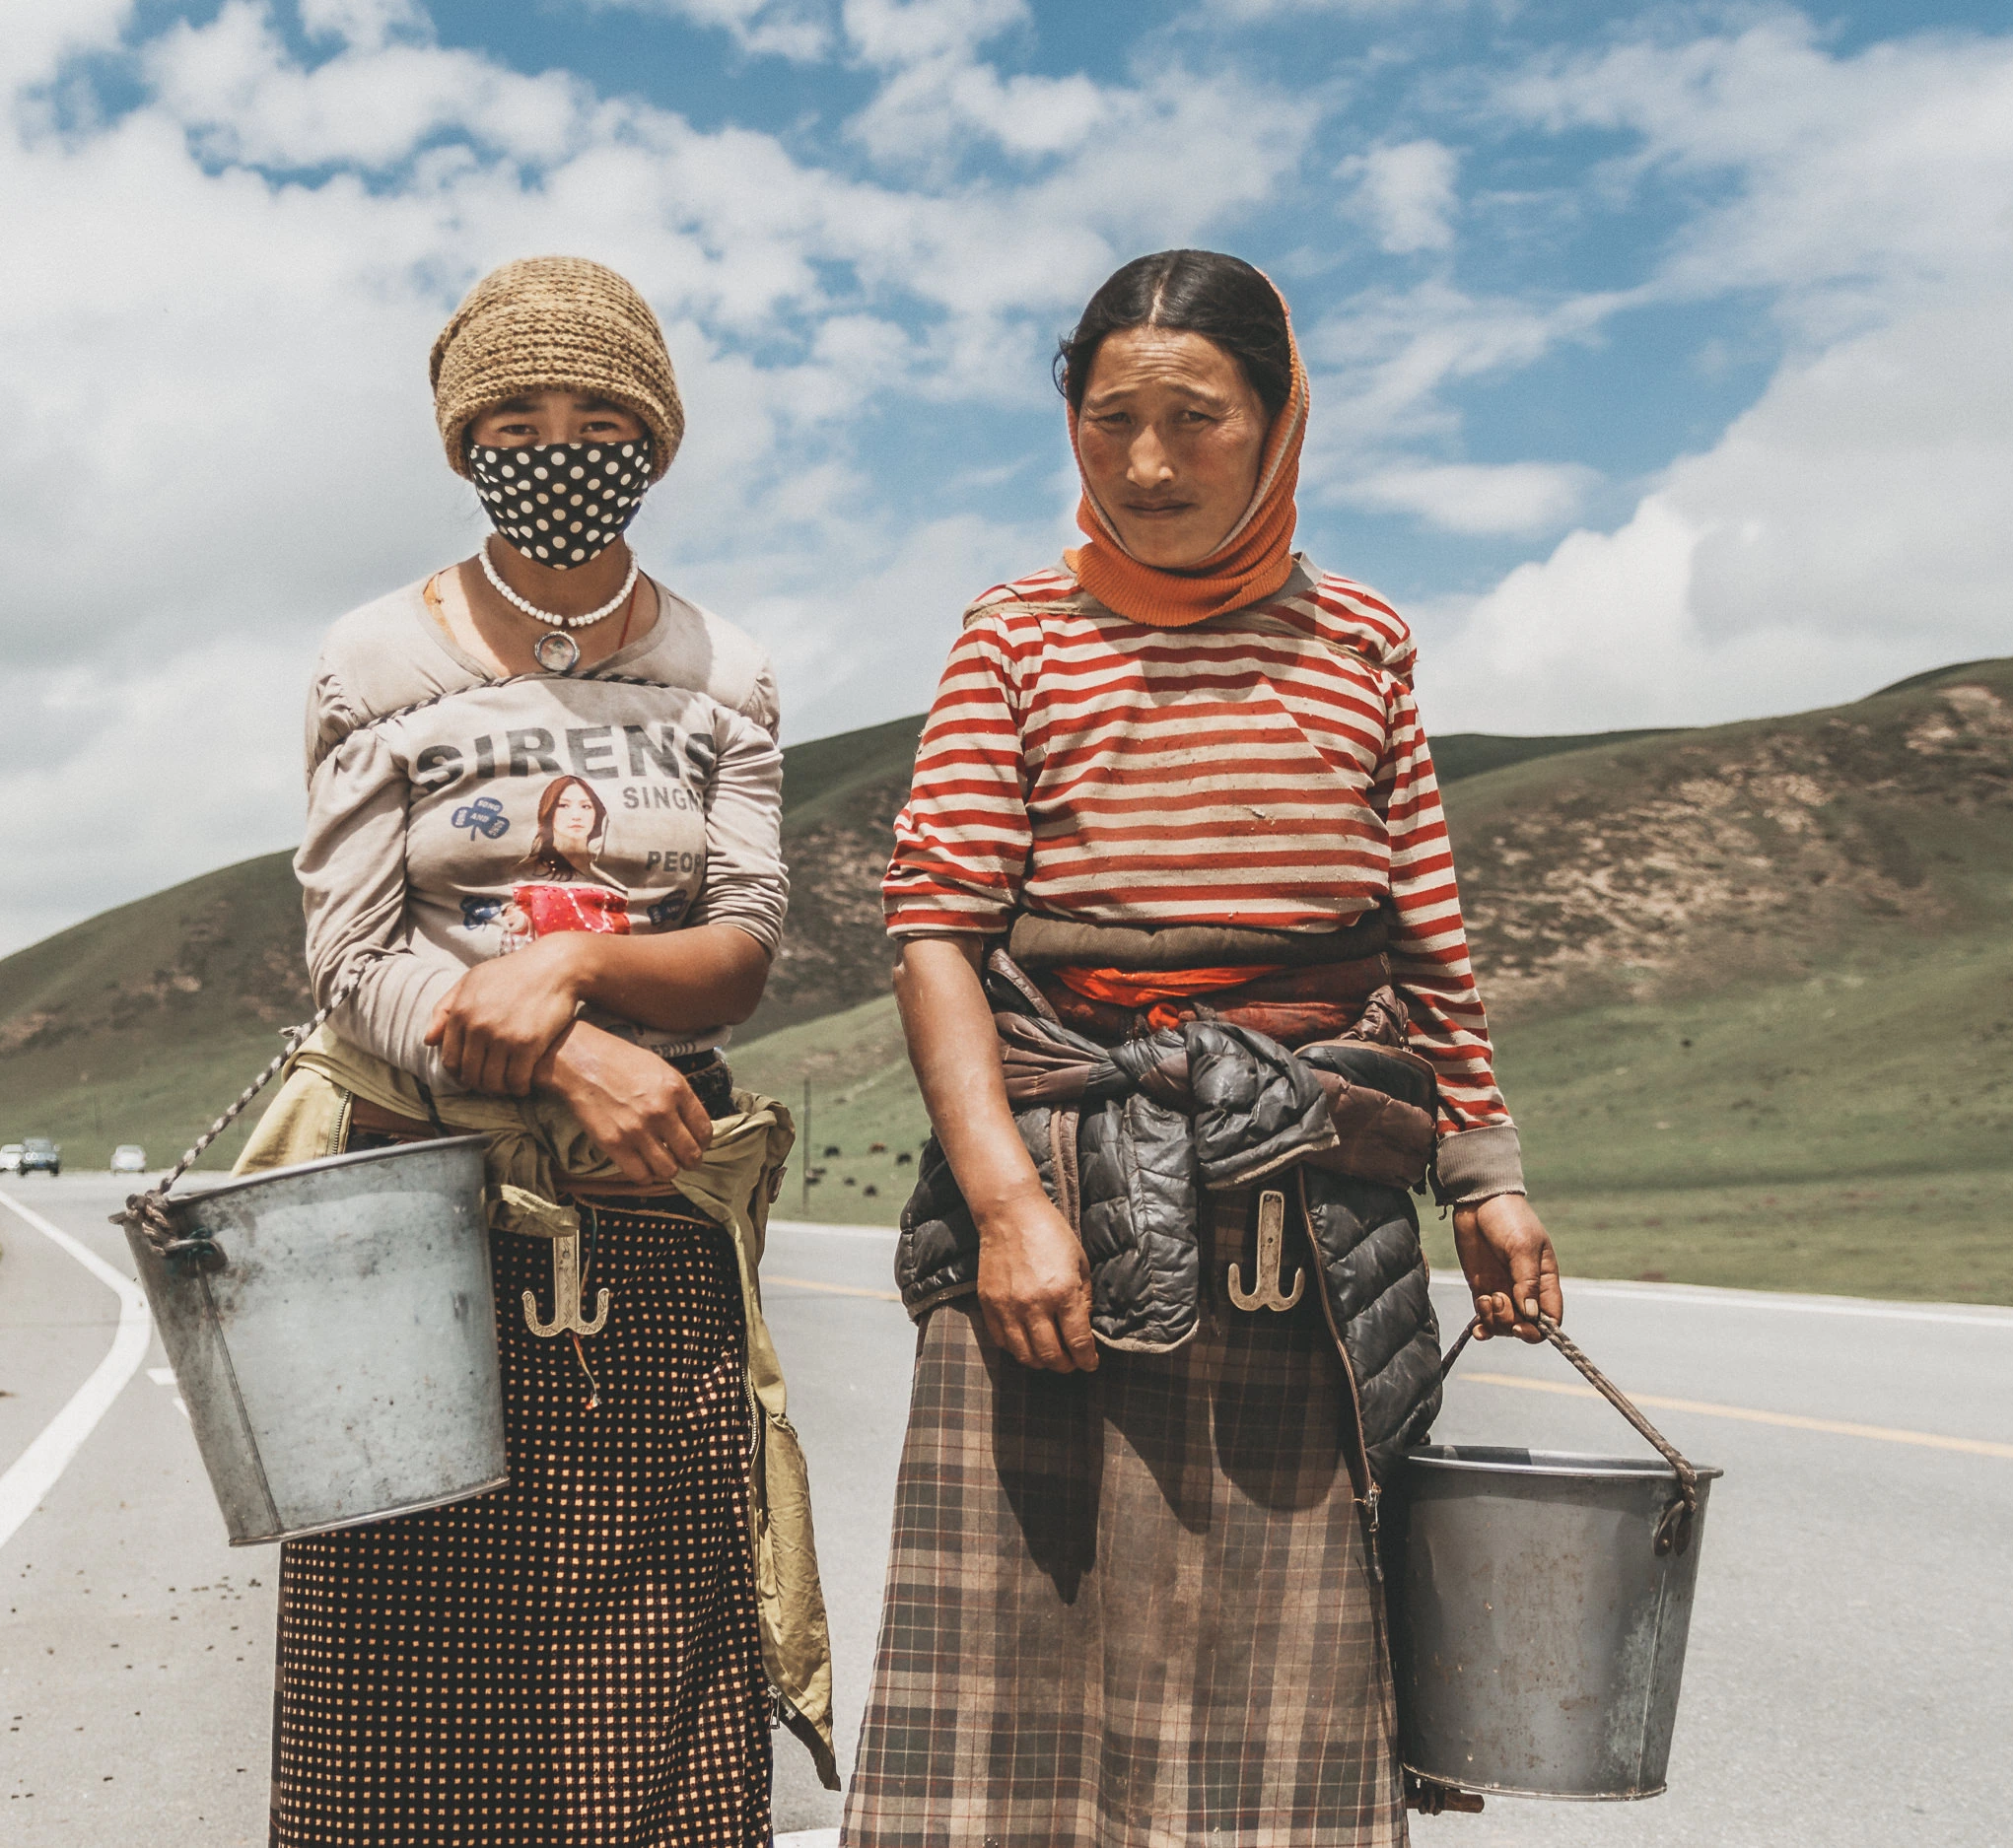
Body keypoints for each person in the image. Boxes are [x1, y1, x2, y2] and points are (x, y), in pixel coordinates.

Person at [841, 248, 1562, 1846]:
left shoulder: (1365, 642)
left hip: (1306, 1202)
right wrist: (1010, 1207)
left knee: (1287, 1680)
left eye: (1197, 418)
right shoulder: (1016, 635)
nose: (1150, 463)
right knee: (1018, 1665)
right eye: (1112, 421)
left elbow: (1424, 936)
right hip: (1062, 1201)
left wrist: (1486, 1178)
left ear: (1281, 420)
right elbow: (936, 931)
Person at [232, 254, 834, 1847]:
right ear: (460, 444)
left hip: (654, 1200)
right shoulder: (378, 663)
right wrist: (567, 1058)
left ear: (653, 437)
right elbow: (352, 962)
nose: (556, 445)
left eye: (594, 415)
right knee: (400, 1680)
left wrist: (572, 959)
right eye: (513, 417)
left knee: (657, 1667)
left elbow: (746, 947)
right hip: (411, 1208)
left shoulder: (727, 675)